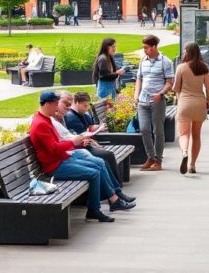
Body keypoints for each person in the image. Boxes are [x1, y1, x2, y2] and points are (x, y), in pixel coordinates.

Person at [28, 91, 130, 222]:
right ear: (47, 104)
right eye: (55, 104)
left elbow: (56, 145)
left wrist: (73, 144)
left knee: (98, 165)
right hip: (54, 167)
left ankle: (102, 205)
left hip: (61, 160)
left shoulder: (45, 119)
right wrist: (72, 142)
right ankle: (95, 209)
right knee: (94, 173)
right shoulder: (41, 123)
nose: (57, 107)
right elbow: (53, 149)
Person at [57, 92, 136, 206]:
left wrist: (87, 138)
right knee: (103, 160)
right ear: (77, 103)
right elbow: (69, 139)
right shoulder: (69, 117)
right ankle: (112, 197)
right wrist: (84, 139)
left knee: (102, 160)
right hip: (75, 151)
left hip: (78, 149)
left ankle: (114, 194)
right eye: (65, 104)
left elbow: (77, 135)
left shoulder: (69, 117)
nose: (68, 107)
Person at [134, 34, 175, 171]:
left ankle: (158, 160)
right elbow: (139, 78)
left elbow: (170, 82)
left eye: (146, 47)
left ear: (154, 47)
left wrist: (161, 93)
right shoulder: (143, 61)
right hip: (143, 101)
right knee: (144, 129)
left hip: (157, 101)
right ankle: (150, 156)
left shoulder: (166, 61)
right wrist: (136, 95)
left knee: (158, 130)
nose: (144, 50)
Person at [173, 42, 209, 175]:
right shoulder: (204, 67)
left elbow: (175, 87)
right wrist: (208, 100)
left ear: (188, 52)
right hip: (199, 103)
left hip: (185, 103)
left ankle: (185, 152)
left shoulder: (181, 67)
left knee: (184, 134)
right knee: (197, 136)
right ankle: (192, 165)